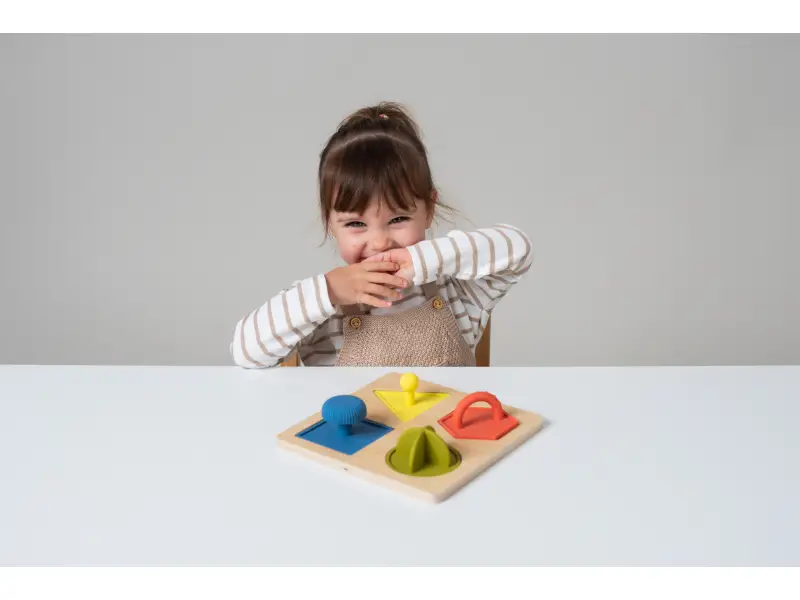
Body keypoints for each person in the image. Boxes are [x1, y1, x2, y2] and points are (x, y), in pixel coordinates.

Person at [230, 102, 532, 368]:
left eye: (398, 219)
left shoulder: (458, 291)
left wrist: (421, 260)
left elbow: (518, 249)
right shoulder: (320, 306)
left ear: (429, 209)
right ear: (330, 223)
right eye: (355, 224)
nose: (379, 243)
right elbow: (245, 352)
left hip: (445, 420)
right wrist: (330, 290)